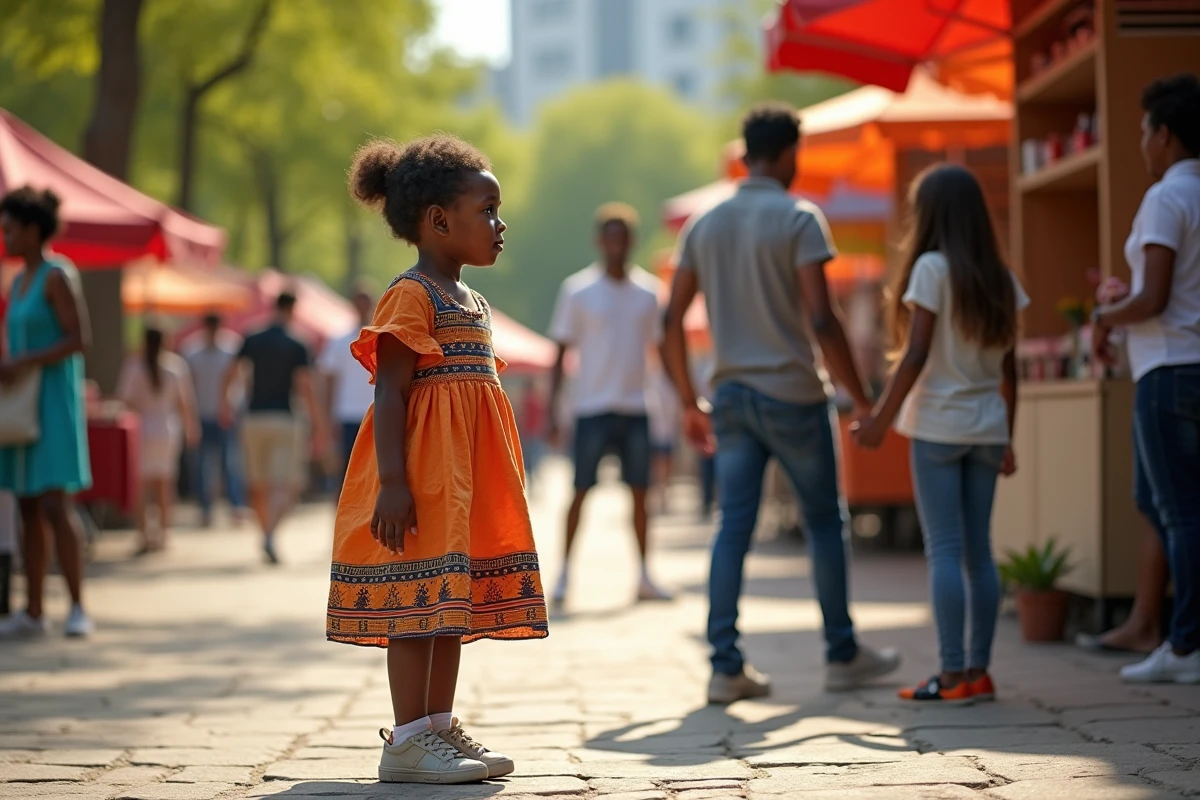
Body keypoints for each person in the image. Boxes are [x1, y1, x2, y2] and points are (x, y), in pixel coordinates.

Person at [662, 103, 900, 704]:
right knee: (824, 523)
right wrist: (864, 397)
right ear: (791, 154)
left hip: (733, 396)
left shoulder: (704, 225)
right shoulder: (800, 217)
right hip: (795, 394)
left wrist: (690, 402)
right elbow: (822, 316)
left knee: (732, 527)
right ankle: (842, 654)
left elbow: (669, 322)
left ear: (745, 155)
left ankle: (725, 666)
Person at [329, 135, 546, 784]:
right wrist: (393, 484)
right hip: (421, 480)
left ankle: (437, 726)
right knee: (413, 608)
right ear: (438, 221)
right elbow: (390, 394)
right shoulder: (411, 296)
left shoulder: (473, 303)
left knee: (448, 607)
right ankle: (404, 740)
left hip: (463, 483)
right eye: (488, 209)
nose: (499, 225)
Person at [852, 164, 1028, 703]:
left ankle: (951, 677)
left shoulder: (930, 268)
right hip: (987, 429)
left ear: (930, 214)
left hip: (938, 426)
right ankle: (979, 671)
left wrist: (880, 419)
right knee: (980, 552)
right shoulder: (1001, 278)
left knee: (945, 551)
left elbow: (918, 351)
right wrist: (1009, 436)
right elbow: (1011, 369)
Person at [1092, 73, 1200, 684]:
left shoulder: (1167, 196)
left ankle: (1185, 645)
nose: (1140, 142)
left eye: (1142, 131)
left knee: (1177, 510)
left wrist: (1107, 315)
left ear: (1164, 135)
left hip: (1169, 369)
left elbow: (1154, 296)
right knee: (1168, 505)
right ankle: (1169, 631)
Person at [547, 203, 672, 606]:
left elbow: (662, 350)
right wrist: (554, 407)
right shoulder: (578, 290)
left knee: (641, 494)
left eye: (623, 236)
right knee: (580, 490)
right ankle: (564, 575)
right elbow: (559, 351)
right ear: (600, 240)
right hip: (592, 407)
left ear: (631, 241)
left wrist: (682, 401)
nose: (616, 243)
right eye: (610, 236)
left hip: (636, 405)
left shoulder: (649, 293)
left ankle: (644, 575)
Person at [0, 187, 93, 638]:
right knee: (27, 504)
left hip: (53, 401)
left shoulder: (57, 274)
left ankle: (78, 607)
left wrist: (27, 361)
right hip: (21, 404)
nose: (5, 237)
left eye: (10, 229)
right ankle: (33, 610)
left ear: (33, 229)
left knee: (57, 503)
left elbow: (79, 339)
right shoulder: (17, 282)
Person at [220, 292, 326, 565]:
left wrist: (225, 405)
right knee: (286, 484)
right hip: (285, 418)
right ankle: (270, 534)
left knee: (258, 483)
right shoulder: (297, 343)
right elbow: (304, 386)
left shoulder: (252, 337)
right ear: (293, 309)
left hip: (253, 417)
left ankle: (265, 533)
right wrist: (318, 423)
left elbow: (230, 373)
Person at [117, 327, 200, 554]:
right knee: (165, 484)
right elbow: (185, 402)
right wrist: (192, 428)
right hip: (167, 429)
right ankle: (164, 534)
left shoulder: (135, 366)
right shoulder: (175, 366)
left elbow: (125, 400)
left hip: (143, 430)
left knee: (142, 485)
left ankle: (143, 534)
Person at [185, 313, 247, 527]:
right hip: (201, 413)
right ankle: (205, 509)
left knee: (230, 463)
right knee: (202, 464)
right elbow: (187, 388)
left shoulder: (232, 348)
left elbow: (240, 381)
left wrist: (232, 407)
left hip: (226, 416)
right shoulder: (191, 351)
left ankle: (235, 506)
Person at [319, 283, 376, 504]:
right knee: (345, 472)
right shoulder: (339, 340)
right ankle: (341, 523)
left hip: (375, 414)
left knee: (374, 472)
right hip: (347, 414)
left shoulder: (381, 338)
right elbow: (330, 380)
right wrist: (328, 416)